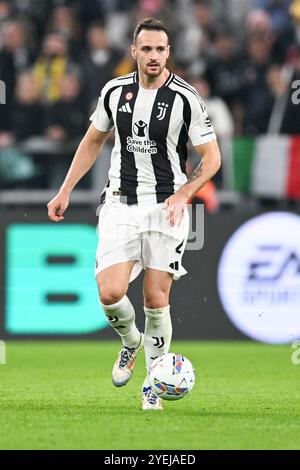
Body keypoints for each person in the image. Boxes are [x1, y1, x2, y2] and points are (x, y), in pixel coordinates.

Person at [47, 18, 221, 410]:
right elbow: (93, 141)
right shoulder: (114, 92)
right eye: (147, 49)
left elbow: (212, 159)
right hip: (120, 203)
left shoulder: (186, 99)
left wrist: (184, 194)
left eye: (161, 49)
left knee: (156, 300)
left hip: (165, 209)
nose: (154, 56)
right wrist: (65, 190)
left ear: (169, 52)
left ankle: (152, 385)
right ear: (134, 52)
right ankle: (130, 341)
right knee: (110, 293)